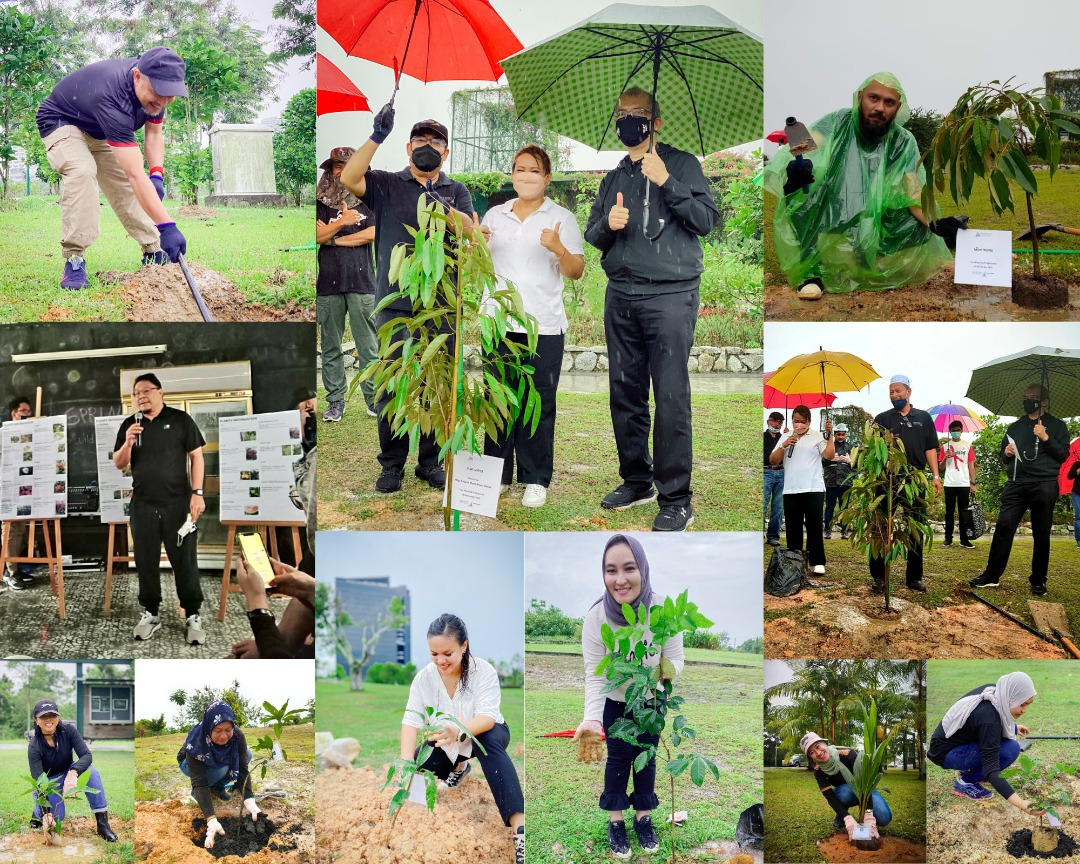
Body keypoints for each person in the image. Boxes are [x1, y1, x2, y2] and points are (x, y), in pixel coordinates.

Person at [584, 87, 720, 532]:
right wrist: (609, 224)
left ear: (656, 121)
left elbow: (706, 221)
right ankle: (637, 479)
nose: (628, 121)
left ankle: (676, 496)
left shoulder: (682, 165)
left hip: (670, 296)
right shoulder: (613, 177)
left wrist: (667, 182)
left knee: (671, 396)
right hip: (621, 294)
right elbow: (593, 235)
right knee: (625, 393)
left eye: (637, 113)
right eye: (621, 113)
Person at [341, 106, 474, 494]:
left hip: (441, 304)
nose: (427, 147)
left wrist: (439, 205)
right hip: (395, 305)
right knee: (392, 385)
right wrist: (376, 136)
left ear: (446, 152)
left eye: (435, 142)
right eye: (420, 141)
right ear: (407, 147)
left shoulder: (456, 190)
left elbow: (469, 231)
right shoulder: (386, 184)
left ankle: (429, 462)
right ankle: (392, 464)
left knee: (436, 384)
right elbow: (351, 177)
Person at [764, 72, 955, 298]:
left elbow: (913, 193)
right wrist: (795, 171)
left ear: (898, 107)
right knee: (799, 193)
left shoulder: (903, 141)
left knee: (913, 224)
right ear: (860, 98)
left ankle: (872, 260)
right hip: (833, 205)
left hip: (876, 214)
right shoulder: (837, 122)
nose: (880, 108)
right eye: (874, 98)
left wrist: (937, 225)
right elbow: (806, 147)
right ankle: (811, 272)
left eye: (889, 102)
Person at [480, 145, 585, 508]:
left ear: (547, 178)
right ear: (511, 174)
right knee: (497, 401)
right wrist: (475, 244)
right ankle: (495, 475)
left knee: (537, 402)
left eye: (534, 171)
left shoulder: (561, 219)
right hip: (497, 322)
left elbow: (576, 271)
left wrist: (558, 248)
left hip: (543, 325)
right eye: (520, 169)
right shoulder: (495, 215)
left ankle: (535, 478)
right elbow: (478, 263)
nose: (526, 176)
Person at [36, 47, 189, 289]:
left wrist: (157, 174)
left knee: (125, 186)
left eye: (171, 95)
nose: (163, 101)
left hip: (97, 129)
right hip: (61, 121)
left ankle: (153, 250)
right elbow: (135, 173)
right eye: (158, 93)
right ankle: (74, 259)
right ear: (137, 76)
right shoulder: (112, 95)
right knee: (83, 171)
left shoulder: (156, 93)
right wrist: (168, 226)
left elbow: (154, 134)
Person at [576, 534, 684, 859]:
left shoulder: (664, 610)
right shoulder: (596, 619)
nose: (620, 579)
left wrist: (663, 671)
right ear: (603, 574)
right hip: (617, 704)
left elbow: (676, 658)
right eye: (611, 570)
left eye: (629, 568)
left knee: (647, 759)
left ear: (643, 569)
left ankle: (643, 819)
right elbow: (596, 674)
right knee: (619, 760)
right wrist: (592, 717)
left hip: (653, 703)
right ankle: (616, 823)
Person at [402, 614, 525, 864]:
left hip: (487, 732)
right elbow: (410, 720)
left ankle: (520, 829)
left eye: (447, 653)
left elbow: (488, 718)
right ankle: (460, 766)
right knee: (419, 765)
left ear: (464, 646)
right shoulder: (424, 678)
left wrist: (457, 730)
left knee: (487, 741)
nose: (440, 660)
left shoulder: (484, 671)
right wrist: (406, 763)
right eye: (434, 654)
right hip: (447, 742)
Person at [113, 373, 207, 645]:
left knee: (184, 560)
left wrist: (197, 493)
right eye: (136, 393)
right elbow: (119, 463)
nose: (141, 396)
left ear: (160, 392)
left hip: (178, 503)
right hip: (143, 503)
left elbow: (197, 456)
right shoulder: (130, 424)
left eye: (146, 391)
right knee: (144, 560)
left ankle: (192, 614)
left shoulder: (180, 420)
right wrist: (128, 442)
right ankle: (150, 612)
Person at [970, 385, 1069, 595]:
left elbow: (1063, 456)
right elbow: (1002, 455)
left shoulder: (1057, 426)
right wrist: (1005, 453)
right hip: (1016, 482)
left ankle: (1039, 580)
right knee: (1004, 526)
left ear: (1044, 401)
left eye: (1033, 398)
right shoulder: (1015, 427)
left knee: (1041, 532)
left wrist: (1046, 438)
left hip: (1045, 483)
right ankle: (991, 575)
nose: (1028, 401)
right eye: (1026, 397)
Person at [316, 146, 378, 422]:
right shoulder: (319, 201)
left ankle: (373, 400)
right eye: (337, 166)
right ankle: (335, 402)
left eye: (347, 165)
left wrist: (334, 238)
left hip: (363, 283)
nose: (341, 171)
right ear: (331, 171)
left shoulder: (370, 197)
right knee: (331, 346)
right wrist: (344, 222)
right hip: (328, 284)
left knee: (368, 347)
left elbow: (373, 233)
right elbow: (316, 236)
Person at [926, 671, 1042, 813]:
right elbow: (991, 767)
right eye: (1022, 704)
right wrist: (1022, 803)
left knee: (1006, 743)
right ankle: (965, 782)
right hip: (946, 754)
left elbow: (980, 723)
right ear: (1010, 697)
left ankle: (968, 770)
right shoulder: (989, 717)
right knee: (1011, 750)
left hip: (950, 743)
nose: (1025, 710)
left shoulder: (995, 692)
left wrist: (1015, 727)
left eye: (1028, 704)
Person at [870, 375, 941, 593]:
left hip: (915, 479)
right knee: (881, 527)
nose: (894, 395)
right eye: (891, 392)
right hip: (887, 480)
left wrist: (936, 477)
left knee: (915, 527)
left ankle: (914, 577)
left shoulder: (924, 418)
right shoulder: (882, 419)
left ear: (908, 392)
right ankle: (879, 578)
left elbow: (930, 448)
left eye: (898, 391)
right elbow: (873, 450)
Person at [27, 698, 117, 842]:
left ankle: (102, 824)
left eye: (52, 715)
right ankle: (38, 812)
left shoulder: (68, 730)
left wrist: (73, 773)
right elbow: (39, 781)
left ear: (58, 717)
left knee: (91, 773)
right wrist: (47, 814)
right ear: (36, 720)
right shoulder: (34, 746)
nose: (48, 719)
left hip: (68, 771)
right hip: (48, 783)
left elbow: (87, 755)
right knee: (57, 817)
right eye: (43, 716)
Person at [178, 701, 261, 850]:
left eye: (228, 729)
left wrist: (249, 799)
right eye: (217, 730)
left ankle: (217, 787)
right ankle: (197, 793)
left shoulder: (237, 735)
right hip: (190, 763)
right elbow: (200, 782)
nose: (223, 736)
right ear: (209, 727)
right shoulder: (195, 741)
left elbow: (242, 768)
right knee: (222, 768)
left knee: (247, 753)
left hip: (216, 761)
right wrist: (211, 820)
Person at [770, 406, 834, 575]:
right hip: (791, 489)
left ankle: (817, 561)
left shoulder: (817, 436)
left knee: (814, 526)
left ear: (809, 422)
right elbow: (773, 460)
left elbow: (829, 455)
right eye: (796, 421)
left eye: (802, 422)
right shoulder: (786, 436)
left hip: (813, 488)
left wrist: (830, 436)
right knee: (793, 527)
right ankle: (794, 562)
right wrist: (784, 445)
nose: (799, 425)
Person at [799, 732, 892, 833]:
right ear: (810, 757)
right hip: (846, 793)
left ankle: (864, 814)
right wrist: (847, 818)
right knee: (845, 792)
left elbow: (865, 782)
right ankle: (842, 815)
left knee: (884, 818)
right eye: (812, 752)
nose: (818, 753)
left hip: (866, 791)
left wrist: (868, 813)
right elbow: (830, 797)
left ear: (824, 743)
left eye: (818, 746)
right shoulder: (818, 771)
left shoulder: (848, 754)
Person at [4, 395, 36, 591]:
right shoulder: (5, 433)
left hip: (25, 487)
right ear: (14, 414)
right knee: (10, 530)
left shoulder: (30, 433)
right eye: (23, 411)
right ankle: (11, 571)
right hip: (8, 488)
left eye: (29, 412)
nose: (27, 415)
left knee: (21, 528)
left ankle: (16, 568)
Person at [939, 421, 977, 549]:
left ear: (961, 430)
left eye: (958, 429)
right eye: (953, 429)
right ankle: (948, 539)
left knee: (964, 513)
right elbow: (941, 467)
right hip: (949, 483)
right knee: (949, 512)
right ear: (950, 431)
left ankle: (964, 540)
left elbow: (971, 465)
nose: (956, 431)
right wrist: (945, 457)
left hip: (964, 483)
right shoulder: (945, 447)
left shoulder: (967, 446)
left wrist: (973, 483)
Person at [822, 423, 853, 540]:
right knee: (829, 507)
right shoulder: (829, 446)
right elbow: (822, 463)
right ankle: (827, 530)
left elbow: (857, 467)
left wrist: (850, 461)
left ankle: (844, 531)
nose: (840, 437)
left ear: (846, 435)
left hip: (846, 481)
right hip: (831, 481)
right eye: (838, 434)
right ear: (834, 434)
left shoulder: (851, 448)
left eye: (842, 434)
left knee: (844, 508)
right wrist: (828, 459)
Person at [763, 412, 786, 547]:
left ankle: (773, 536)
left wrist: (788, 438)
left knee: (778, 506)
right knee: (763, 504)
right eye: (775, 421)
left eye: (780, 422)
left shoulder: (783, 438)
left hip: (780, 471)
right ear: (768, 421)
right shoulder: (763, 437)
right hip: (766, 470)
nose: (777, 424)